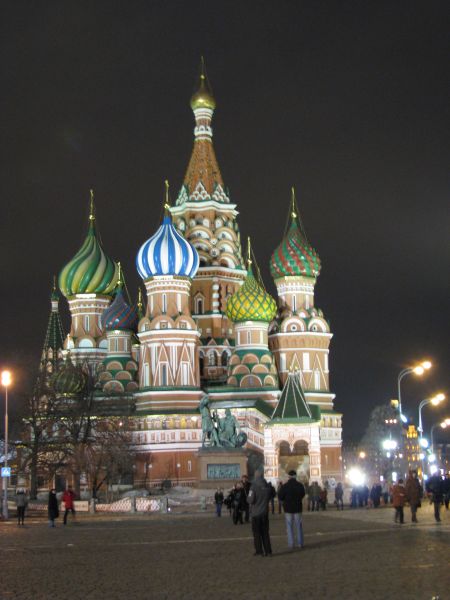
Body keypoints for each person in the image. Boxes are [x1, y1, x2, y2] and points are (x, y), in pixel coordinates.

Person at [278, 470, 305, 550]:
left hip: (288, 509)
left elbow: (280, 496)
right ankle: (300, 543)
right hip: (298, 508)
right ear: (295, 476)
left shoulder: (285, 486)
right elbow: (302, 494)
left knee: (289, 527)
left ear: (289, 476)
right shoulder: (300, 485)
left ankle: (291, 544)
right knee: (298, 526)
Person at [247, 470, 272, 557]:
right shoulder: (267, 487)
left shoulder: (253, 487)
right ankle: (268, 551)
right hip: (265, 513)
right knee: (265, 533)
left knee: (257, 533)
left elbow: (250, 500)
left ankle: (259, 550)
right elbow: (270, 496)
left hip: (256, 513)